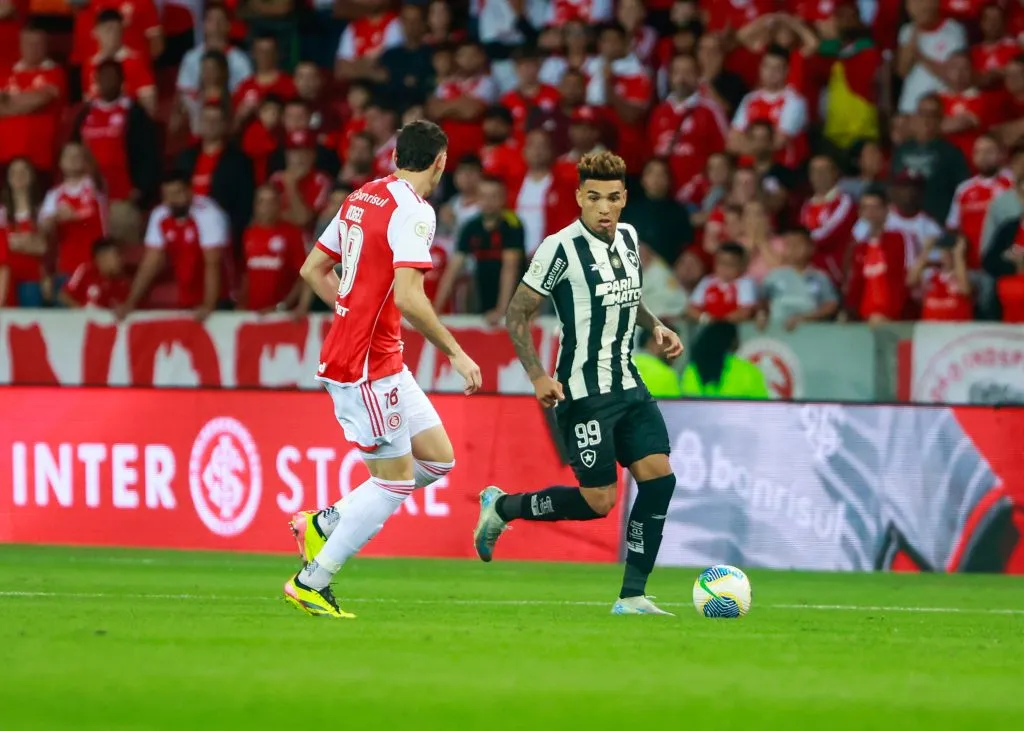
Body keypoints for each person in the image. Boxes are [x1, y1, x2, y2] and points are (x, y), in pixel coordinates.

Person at [282, 120, 483, 619]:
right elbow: (410, 298)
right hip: (366, 365)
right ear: (440, 162)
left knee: (437, 460)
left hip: (376, 356)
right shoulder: (415, 211)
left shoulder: (362, 196)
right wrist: (455, 352)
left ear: (395, 157)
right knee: (393, 482)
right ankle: (312, 580)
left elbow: (312, 269)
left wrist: (350, 313)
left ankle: (323, 523)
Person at [472, 151, 685, 616]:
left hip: (629, 384)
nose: (604, 208)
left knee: (659, 480)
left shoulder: (628, 237)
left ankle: (632, 596)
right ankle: (504, 507)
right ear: (578, 198)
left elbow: (626, 296)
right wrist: (537, 375)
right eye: (594, 198)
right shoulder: (559, 248)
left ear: (624, 198)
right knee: (598, 501)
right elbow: (517, 313)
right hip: (584, 395)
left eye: (612, 197)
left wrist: (655, 326)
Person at [118, 171, 228, 320]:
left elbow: (212, 263)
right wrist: (130, 302)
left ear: (190, 192)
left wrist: (208, 305)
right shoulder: (160, 215)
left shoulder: (208, 214)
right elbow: (150, 263)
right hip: (187, 295)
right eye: (167, 195)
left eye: (177, 193)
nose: (172, 200)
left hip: (220, 297)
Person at [433, 175, 524, 324]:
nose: (488, 201)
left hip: (513, 298)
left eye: (494, 196)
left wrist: (502, 310)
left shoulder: (512, 224)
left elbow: (510, 268)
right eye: (483, 196)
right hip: (483, 291)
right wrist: (436, 308)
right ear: (477, 198)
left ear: (503, 198)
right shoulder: (471, 226)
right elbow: (453, 268)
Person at [679, 321, 769, 399]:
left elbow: (686, 405)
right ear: (733, 342)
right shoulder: (749, 371)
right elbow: (762, 408)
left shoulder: (692, 370)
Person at [57, 237, 130, 308]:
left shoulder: (123, 282)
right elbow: (64, 295)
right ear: (102, 258)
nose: (120, 260)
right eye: (116, 256)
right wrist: (81, 312)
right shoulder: (85, 270)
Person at [632, 328, 683, 399]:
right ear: (656, 341)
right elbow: (676, 405)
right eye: (670, 343)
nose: (675, 350)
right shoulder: (666, 375)